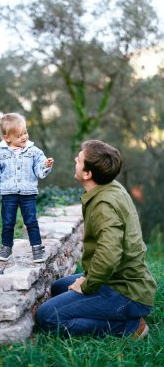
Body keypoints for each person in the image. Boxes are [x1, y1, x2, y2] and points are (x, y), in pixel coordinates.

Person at [36, 140, 157, 338]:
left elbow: (109, 254)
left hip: (126, 292)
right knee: (58, 288)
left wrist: (86, 285)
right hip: (116, 279)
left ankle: (129, 327)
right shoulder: (109, 187)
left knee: (47, 317)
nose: (76, 159)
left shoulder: (104, 206)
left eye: (80, 159)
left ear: (87, 174)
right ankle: (117, 315)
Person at [0, 112, 54, 263]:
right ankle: (6, 248)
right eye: (19, 135)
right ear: (7, 138)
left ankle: (37, 248)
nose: (24, 137)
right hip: (8, 194)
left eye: (25, 133)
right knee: (8, 221)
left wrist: (45, 165)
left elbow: (39, 166)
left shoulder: (34, 152)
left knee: (31, 221)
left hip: (28, 193)